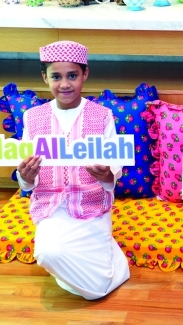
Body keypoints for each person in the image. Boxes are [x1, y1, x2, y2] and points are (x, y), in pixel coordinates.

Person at [16, 40, 129, 300]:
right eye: (56, 76)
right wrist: (25, 177)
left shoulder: (102, 115)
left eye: (72, 76)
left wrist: (107, 175)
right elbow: (25, 174)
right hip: (51, 207)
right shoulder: (32, 117)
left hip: (92, 206)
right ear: (45, 77)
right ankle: (74, 271)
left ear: (85, 74)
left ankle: (108, 266)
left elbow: (114, 165)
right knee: (47, 253)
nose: (65, 84)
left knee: (99, 287)